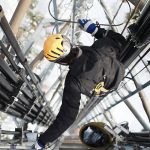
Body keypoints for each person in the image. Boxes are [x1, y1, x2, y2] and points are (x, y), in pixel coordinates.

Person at [32, 19, 126, 149]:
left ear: (60, 61)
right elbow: (120, 40)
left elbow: (67, 118)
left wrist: (42, 141)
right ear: (69, 44)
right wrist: (97, 31)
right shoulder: (100, 47)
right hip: (118, 70)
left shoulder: (73, 82)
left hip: (106, 88)